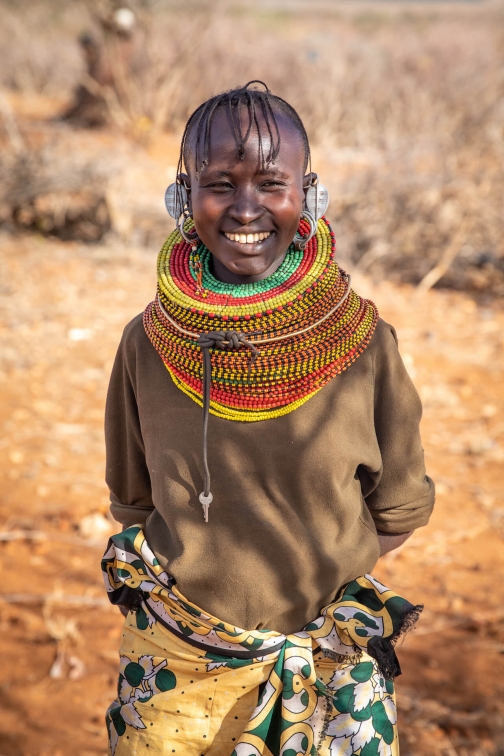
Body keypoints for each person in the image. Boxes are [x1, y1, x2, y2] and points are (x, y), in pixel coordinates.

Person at [101, 81, 435, 756]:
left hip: (327, 663)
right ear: (182, 196)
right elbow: (136, 504)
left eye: (271, 183)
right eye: (219, 183)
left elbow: (396, 510)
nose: (246, 207)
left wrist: (305, 587)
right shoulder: (147, 343)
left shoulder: (364, 344)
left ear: (309, 196)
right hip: (179, 667)